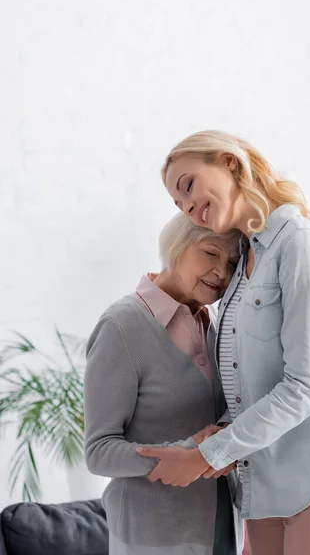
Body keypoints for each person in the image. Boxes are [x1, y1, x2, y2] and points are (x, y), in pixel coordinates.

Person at [137, 130, 310, 555]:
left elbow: (302, 388)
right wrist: (225, 426)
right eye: (179, 204)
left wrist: (206, 455)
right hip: (260, 487)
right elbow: (254, 382)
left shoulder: (300, 244)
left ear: (229, 162)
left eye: (188, 185)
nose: (188, 207)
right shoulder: (242, 266)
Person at [84, 211, 245, 555]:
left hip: (221, 524)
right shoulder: (122, 325)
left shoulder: (213, 321)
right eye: (211, 253)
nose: (221, 272)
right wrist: (190, 453)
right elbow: (98, 452)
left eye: (233, 263)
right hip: (152, 534)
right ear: (177, 245)